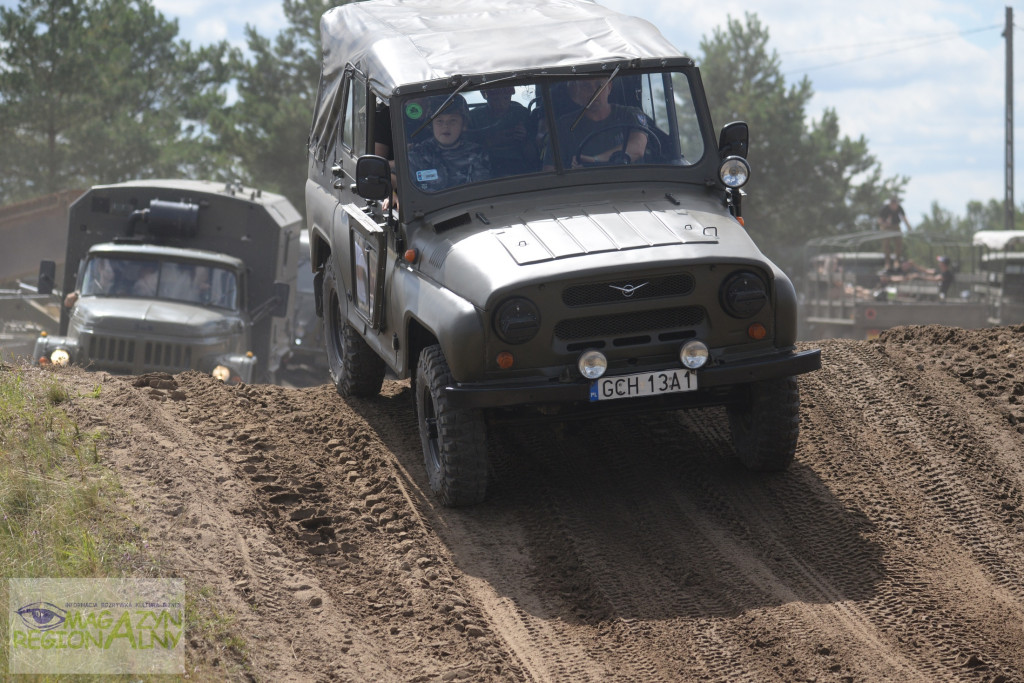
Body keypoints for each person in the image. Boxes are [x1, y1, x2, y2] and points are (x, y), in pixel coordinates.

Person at [545, 77, 648, 169]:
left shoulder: (629, 115)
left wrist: (595, 160)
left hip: (631, 185)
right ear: (576, 91)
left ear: (609, 87)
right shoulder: (563, 127)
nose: (594, 91)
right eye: (586, 86)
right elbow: (550, 172)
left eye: (599, 85)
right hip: (582, 187)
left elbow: (637, 148)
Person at [406, 94, 490, 192]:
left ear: (463, 124)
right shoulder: (417, 154)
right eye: (439, 121)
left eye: (453, 121)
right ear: (431, 125)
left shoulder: (477, 153)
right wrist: (394, 194)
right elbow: (396, 179)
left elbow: (481, 191)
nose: (445, 126)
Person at [469, 86, 536, 177]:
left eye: (506, 98)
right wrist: (493, 141)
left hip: (519, 166)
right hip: (485, 166)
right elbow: (466, 153)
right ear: (485, 96)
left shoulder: (522, 114)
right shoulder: (474, 118)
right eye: (496, 99)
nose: (501, 104)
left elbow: (535, 156)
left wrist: (524, 139)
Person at [877, 197, 911, 267]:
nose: (895, 207)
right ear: (890, 204)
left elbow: (904, 218)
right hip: (886, 227)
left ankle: (897, 261)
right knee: (886, 244)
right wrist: (885, 224)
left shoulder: (899, 208)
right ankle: (887, 262)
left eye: (896, 205)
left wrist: (909, 227)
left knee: (899, 243)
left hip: (896, 226)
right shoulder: (884, 209)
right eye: (893, 205)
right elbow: (879, 221)